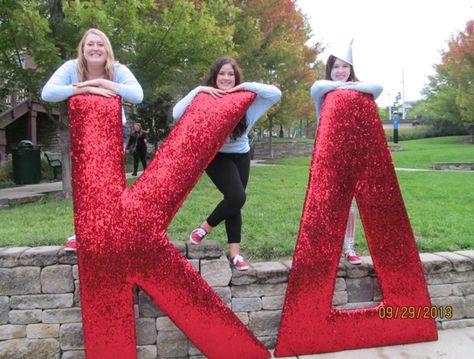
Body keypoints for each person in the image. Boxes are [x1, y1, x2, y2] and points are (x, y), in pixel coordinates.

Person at [172, 56, 281, 270]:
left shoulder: (247, 100)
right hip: (215, 156)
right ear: (215, 76)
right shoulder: (206, 98)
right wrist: (199, 90)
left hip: (241, 154)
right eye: (222, 73)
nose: (226, 78)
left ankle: (235, 255)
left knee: (235, 203)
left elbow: (276, 94)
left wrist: (242, 87)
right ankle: (203, 228)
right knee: (237, 196)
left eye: (231, 74)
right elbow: (177, 113)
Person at [41, 28, 144, 251]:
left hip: (115, 129)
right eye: (90, 44)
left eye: (100, 44)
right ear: (83, 49)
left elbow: (138, 95)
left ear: (107, 49)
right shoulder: (71, 68)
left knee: (110, 183)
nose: (95, 48)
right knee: (86, 183)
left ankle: (113, 230)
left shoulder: (118, 70)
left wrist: (103, 84)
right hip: (84, 132)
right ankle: (84, 232)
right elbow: (47, 93)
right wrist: (84, 87)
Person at [310, 40, 383, 265]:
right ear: (329, 70)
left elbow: (377, 88)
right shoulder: (323, 90)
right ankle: (323, 247)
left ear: (351, 69)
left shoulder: (359, 92)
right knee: (326, 203)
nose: (340, 71)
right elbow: (318, 86)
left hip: (352, 154)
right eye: (335, 67)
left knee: (349, 204)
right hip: (328, 155)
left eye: (345, 66)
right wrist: (351, 85)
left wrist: (351, 85)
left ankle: (349, 247)